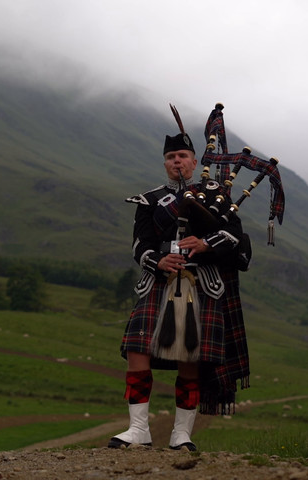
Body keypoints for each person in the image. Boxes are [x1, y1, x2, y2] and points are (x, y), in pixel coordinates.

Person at [108, 125, 250, 451]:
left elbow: (235, 236)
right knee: (137, 348)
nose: (177, 162)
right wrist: (158, 260)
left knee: (191, 356)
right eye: (170, 157)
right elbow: (139, 247)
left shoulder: (216, 195)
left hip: (202, 282)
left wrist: (204, 243)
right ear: (164, 163)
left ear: (193, 160)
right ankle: (138, 429)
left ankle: (181, 434)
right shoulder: (151, 200)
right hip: (159, 281)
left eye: (182, 156)